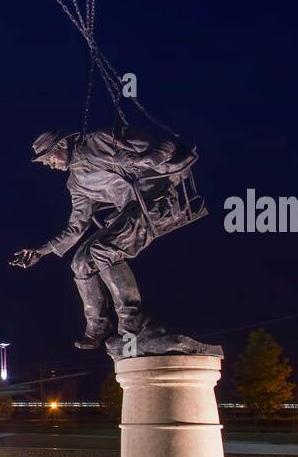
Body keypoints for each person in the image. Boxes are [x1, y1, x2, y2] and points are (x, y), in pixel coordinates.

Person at [11, 126, 197, 350]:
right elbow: (77, 226)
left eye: (48, 157)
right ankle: (98, 326)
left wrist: (144, 160)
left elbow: (166, 144)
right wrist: (42, 250)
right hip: (129, 214)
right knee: (80, 263)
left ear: (61, 144)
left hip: (156, 204)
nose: (48, 164)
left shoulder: (99, 141)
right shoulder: (75, 184)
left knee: (103, 249)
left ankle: (134, 324)